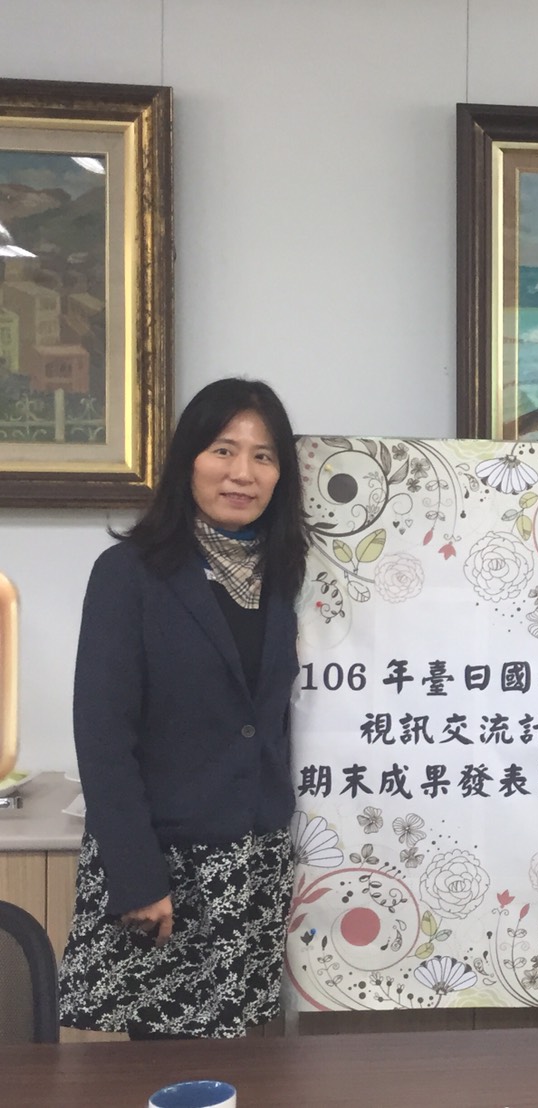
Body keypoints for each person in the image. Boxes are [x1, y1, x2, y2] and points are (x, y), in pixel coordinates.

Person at [59, 378, 308, 1039]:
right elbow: (102, 735)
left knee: (251, 1062)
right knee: (162, 1065)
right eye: (224, 450)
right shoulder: (129, 573)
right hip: (164, 868)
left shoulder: (285, 578)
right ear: (188, 461)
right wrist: (136, 877)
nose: (242, 472)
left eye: (263, 456)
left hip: (255, 865)